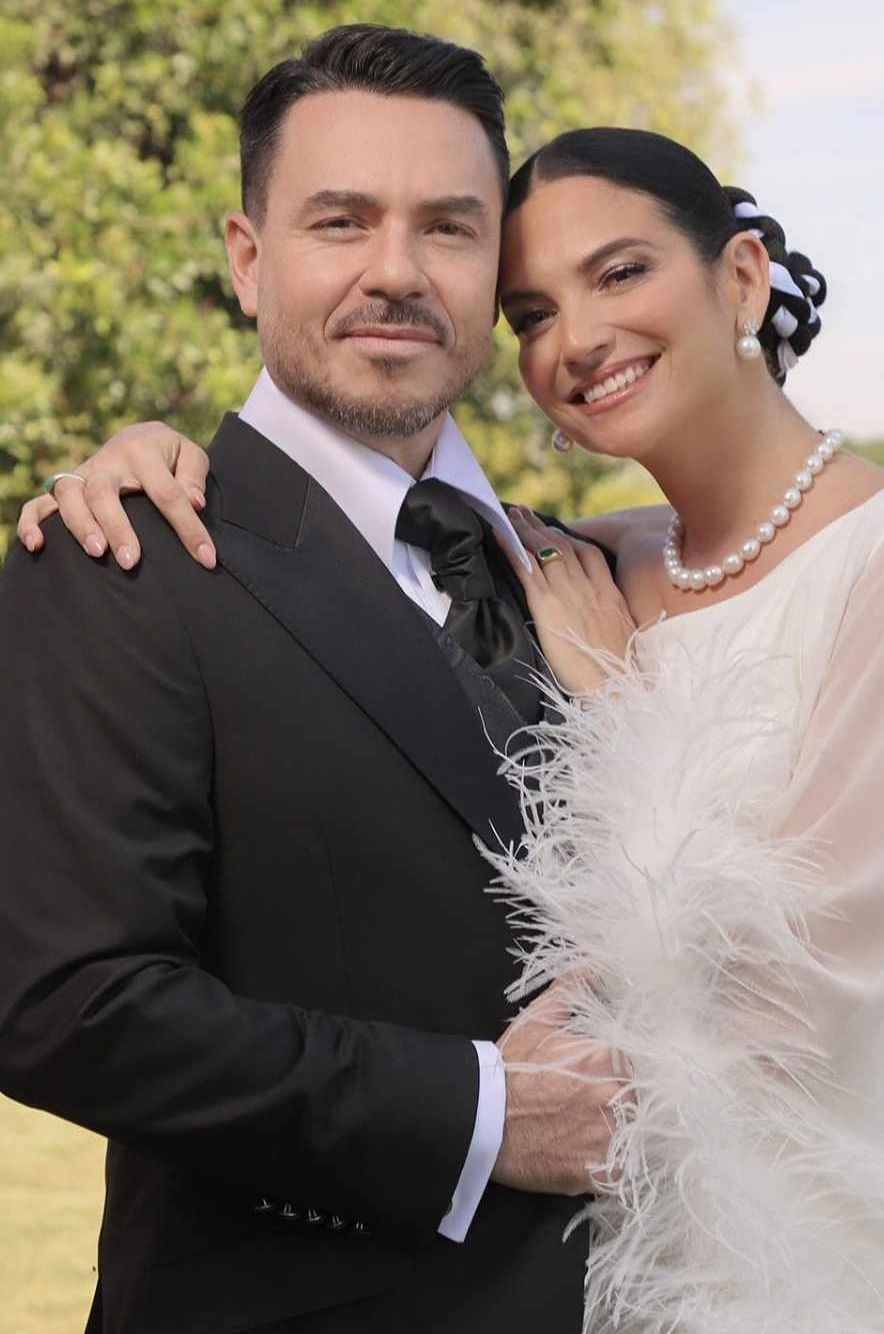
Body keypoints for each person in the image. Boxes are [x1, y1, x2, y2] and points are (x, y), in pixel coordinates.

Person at [25, 119, 884, 1332]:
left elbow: (788, 1014)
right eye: (532, 312)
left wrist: (617, 706)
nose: (575, 340)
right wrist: (147, 452)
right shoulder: (575, 558)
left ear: (740, 277)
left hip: (803, 1261)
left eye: (621, 272)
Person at [0, 27, 629, 1334]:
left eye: (448, 228)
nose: (395, 271)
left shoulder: (573, 569)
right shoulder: (121, 554)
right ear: (248, 257)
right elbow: (69, 1003)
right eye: (340, 220)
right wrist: (482, 1114)